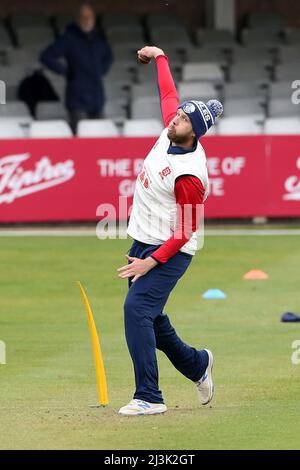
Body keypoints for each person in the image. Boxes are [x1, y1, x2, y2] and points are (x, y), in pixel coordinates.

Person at [117, 45, 223, 416]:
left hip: (173, 249)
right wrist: (160, 57)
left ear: (195, 133)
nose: (174, 118)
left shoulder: (191, 174)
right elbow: (168, 94)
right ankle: (197, 364)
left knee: (136, 310)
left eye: (183, 119)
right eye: (178, 115)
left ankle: (149, 397)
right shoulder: (171, 130)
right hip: (144, 238)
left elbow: (186, 229)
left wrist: (151, 263)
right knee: (152, 317)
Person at [40, 2, 113, 133]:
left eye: (89, 17)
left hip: (97, 97)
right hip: (77, 98)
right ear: (78, 19)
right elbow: (46, 56)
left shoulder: (98, 39)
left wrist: (102, 69)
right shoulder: (69, 38)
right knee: (82, 135)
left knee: (101, 136)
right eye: (84, 17)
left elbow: (109, 56)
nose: (87, 21)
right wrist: (66, 71)